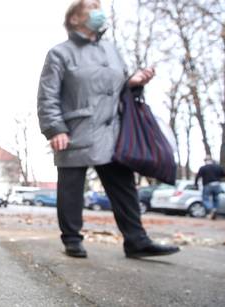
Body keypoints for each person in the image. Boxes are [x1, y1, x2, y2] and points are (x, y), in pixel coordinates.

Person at [37, 0, 180, 258]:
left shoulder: (111, 50)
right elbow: (48, 95)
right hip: (75, 129)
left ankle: (136, 240)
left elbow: (117, 87)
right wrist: (55, 128)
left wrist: (133, 82)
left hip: (113, 130)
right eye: (92, 6)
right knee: (71, 188)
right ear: (74, 19)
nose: (98, 11)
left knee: (123, 187)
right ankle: (72, 239)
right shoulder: (60, 53)